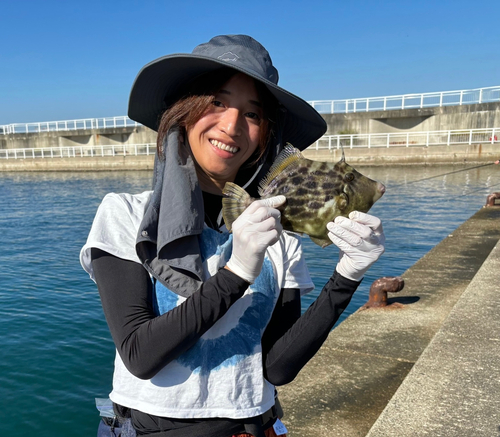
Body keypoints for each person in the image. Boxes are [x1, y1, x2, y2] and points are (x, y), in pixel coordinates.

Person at [80, 34, 385, 437]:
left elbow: (276, 366)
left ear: (266, 135)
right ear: (183, 112)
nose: (232, 125)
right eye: (217, 102)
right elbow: (140, 354)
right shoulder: (126, 214)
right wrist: (237, 270)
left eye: (253, 114)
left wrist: (348, 274)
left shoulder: (278, 234)